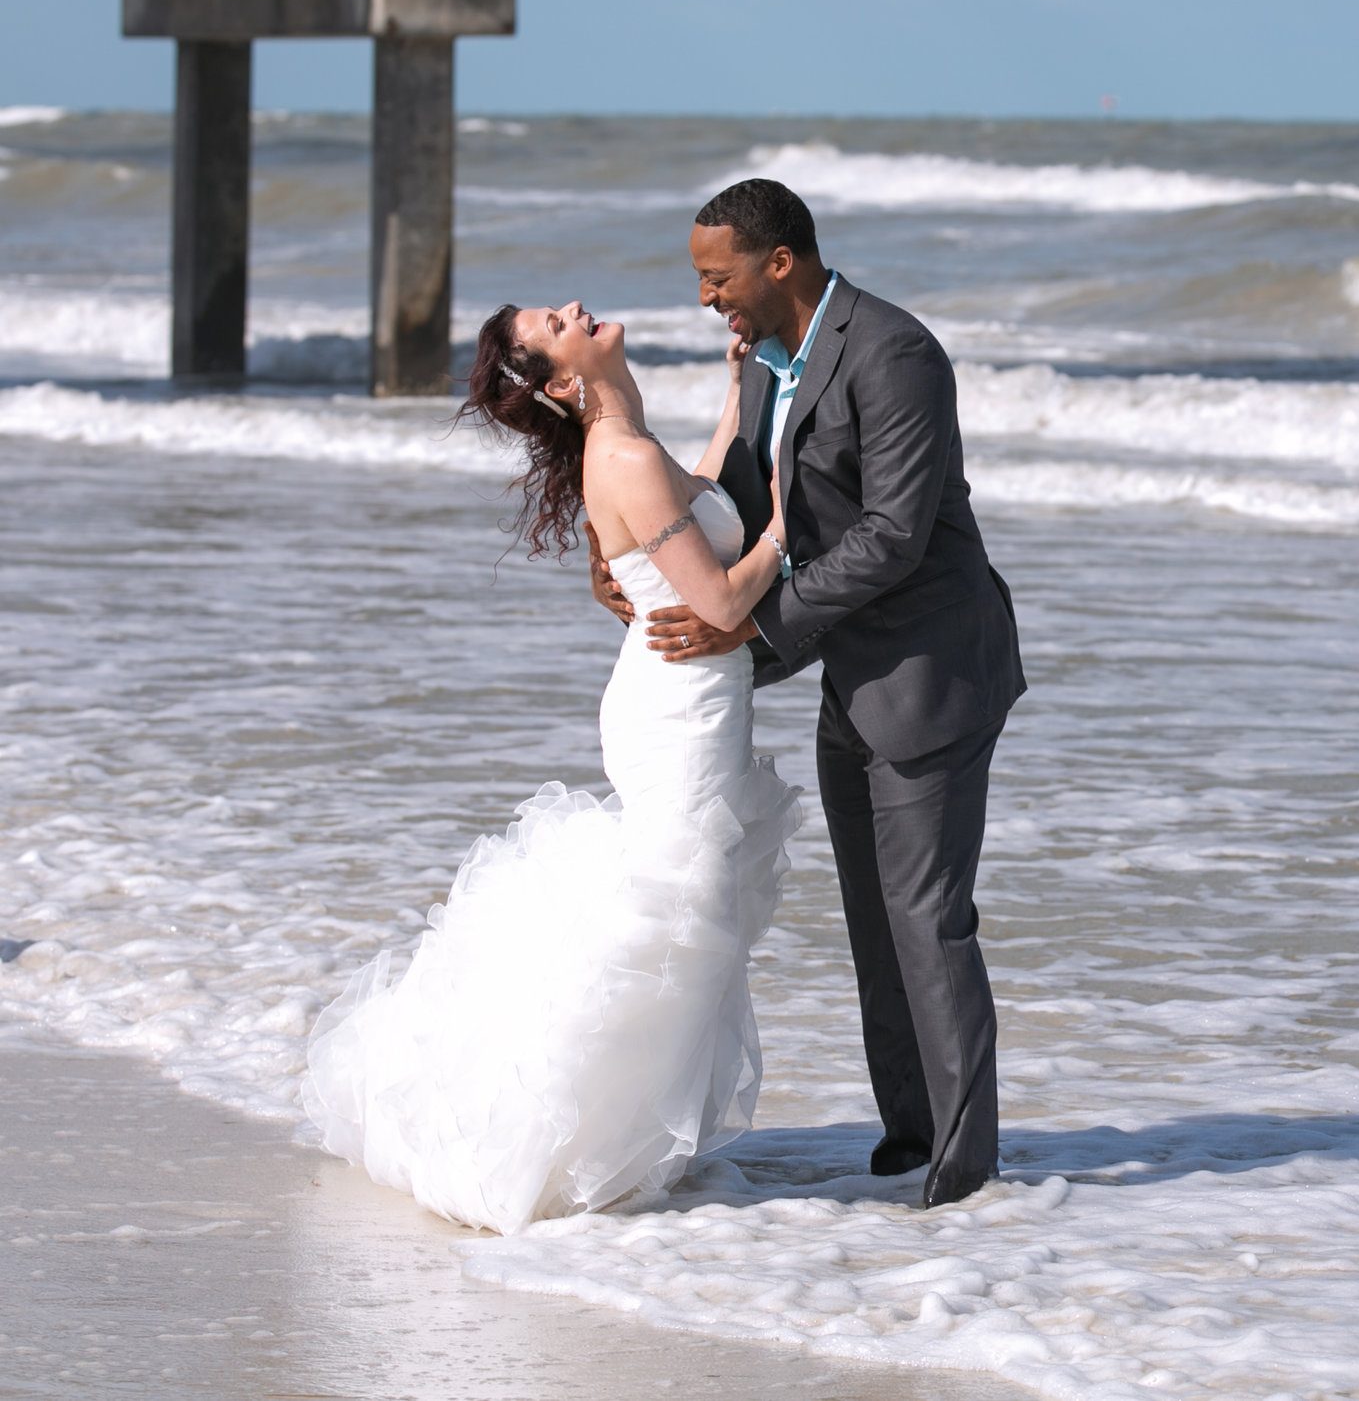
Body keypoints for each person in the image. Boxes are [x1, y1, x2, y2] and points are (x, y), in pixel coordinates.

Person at [303, 302, 798, 1235]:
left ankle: (611, 1145)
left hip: (677, 699)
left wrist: (739, 392)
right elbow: (725, 598)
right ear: (566, 382)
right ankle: (565, 1151)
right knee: (678, 915)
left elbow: (695, 494)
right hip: (679, 713)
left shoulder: (629, 441)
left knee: (684, 911)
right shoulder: (622, 456)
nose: (577, 309)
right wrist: (787, 518)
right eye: (557, 323)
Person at [598, 178, 1024, 1210]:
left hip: (934, 667)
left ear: (778, 260)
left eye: (717, 276)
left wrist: (750, 626)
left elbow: (893, 534)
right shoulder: (763, 366)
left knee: (928, 917)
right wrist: (624, 554)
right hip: (848, 669)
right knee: (875, 920)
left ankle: (965, 1175)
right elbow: (736, 500)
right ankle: (908, 1133)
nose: (707, 298)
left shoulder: (894, 352)